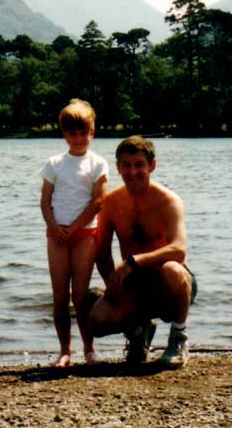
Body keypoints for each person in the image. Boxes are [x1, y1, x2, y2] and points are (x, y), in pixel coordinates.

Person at [88, 136, 197, 366]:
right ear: (117, 167)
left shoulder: (168, 201)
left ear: (152, 166)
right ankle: (138, 330)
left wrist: (134, 261)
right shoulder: (110, 203)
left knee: (172, 270)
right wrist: (112, 282)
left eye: (139, 164)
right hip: (135, 286)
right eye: (126, 165)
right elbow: (102, 252)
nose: (132, 171)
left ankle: (178, 338)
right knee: (95, 321)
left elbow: (179, 249)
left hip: (168, 286)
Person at [40, 99, 108, 367]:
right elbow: (45, 201)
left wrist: (75, 228)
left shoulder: (98, 163)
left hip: (85, 235)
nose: (78, 139)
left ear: (92, 132)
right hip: (56, 235)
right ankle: (64, 351)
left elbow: (98, 203)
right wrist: (55, 227)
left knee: (80, 296)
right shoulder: (54, 163)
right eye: (72, 133)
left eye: (83, 133)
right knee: (59, 296)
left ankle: (89, 349)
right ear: (64, 134)